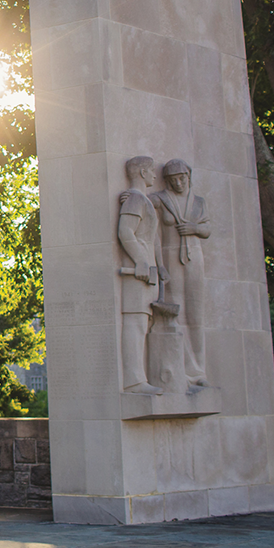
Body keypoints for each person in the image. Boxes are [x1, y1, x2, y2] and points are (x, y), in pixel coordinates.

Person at [151, 159, 211, 387]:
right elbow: (141, 203)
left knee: (196, 315)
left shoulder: (198, 202)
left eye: (182, 178)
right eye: (173, 179)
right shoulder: (161, 199)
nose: (178, 182)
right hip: (169, 258)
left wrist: (194, 228)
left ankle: (198, 371)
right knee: (176, 311)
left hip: (194, 259)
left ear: (189, 176)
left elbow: (207, 228)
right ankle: (181, 368)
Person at [117, 156, 166, 394]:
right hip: (139, 273)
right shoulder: (136, 199)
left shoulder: (140, 199)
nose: (155, 176)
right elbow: (126, 232)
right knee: (135, 323)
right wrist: (141, 261)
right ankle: (135, 381)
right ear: (143, 173)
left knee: (142, 323)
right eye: (152, 171)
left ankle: (140, 378)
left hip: (148, 272)